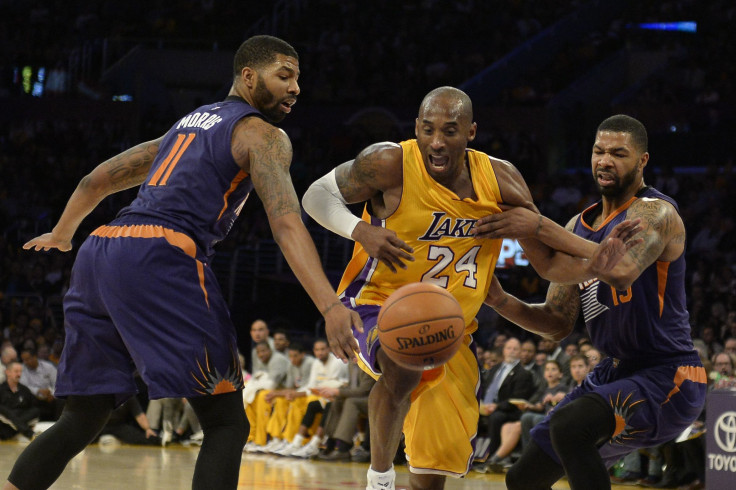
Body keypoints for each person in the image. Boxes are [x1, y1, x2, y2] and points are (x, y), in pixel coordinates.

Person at [7, 34, 360, 490]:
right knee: (226, 422)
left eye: (297, 79)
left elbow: (95, 180)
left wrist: (62, 234)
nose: (295, 88)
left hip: (100, 248)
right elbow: (287, 223)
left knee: (84, 413)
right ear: (248, 77)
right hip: (160, 253)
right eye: (285, 76)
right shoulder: (262, 134)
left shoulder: (186, 125)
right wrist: (331, 306)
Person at [302, 87, 639, 489]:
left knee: (434, 471)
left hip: (451, 329)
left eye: (450, 130)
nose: (437, 141)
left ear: (472, 132)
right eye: (428, 130)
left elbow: (548, 265)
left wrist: (598, 263)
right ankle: (380, 480)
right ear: (416, 129)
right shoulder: (391, 162)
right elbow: (315, 195)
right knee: (403, 362)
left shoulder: (500, 180)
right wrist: (359, 229)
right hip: (376, 304)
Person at [479, 114, 707, 490]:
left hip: (669, 374)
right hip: (611, 373)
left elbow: (622, 270)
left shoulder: (657, 213)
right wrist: (501, 300)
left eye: (618, 153)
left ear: (642, 160)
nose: (605, 160)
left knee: (570, 427)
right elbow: (556, 322)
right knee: (523, 479)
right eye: (599, 151)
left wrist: (536, 225)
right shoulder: (577, 226)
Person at [0, 361, 39, 442]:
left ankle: (14, 430)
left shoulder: (25, 390)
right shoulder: (1, 389)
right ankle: (29, 434)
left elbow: (32, 407)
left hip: (13, 425)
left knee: (35, 410)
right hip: (4, 422)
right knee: (4, 410)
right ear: (8, 372)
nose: (19, 374)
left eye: (20, 371)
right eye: (16, 371)